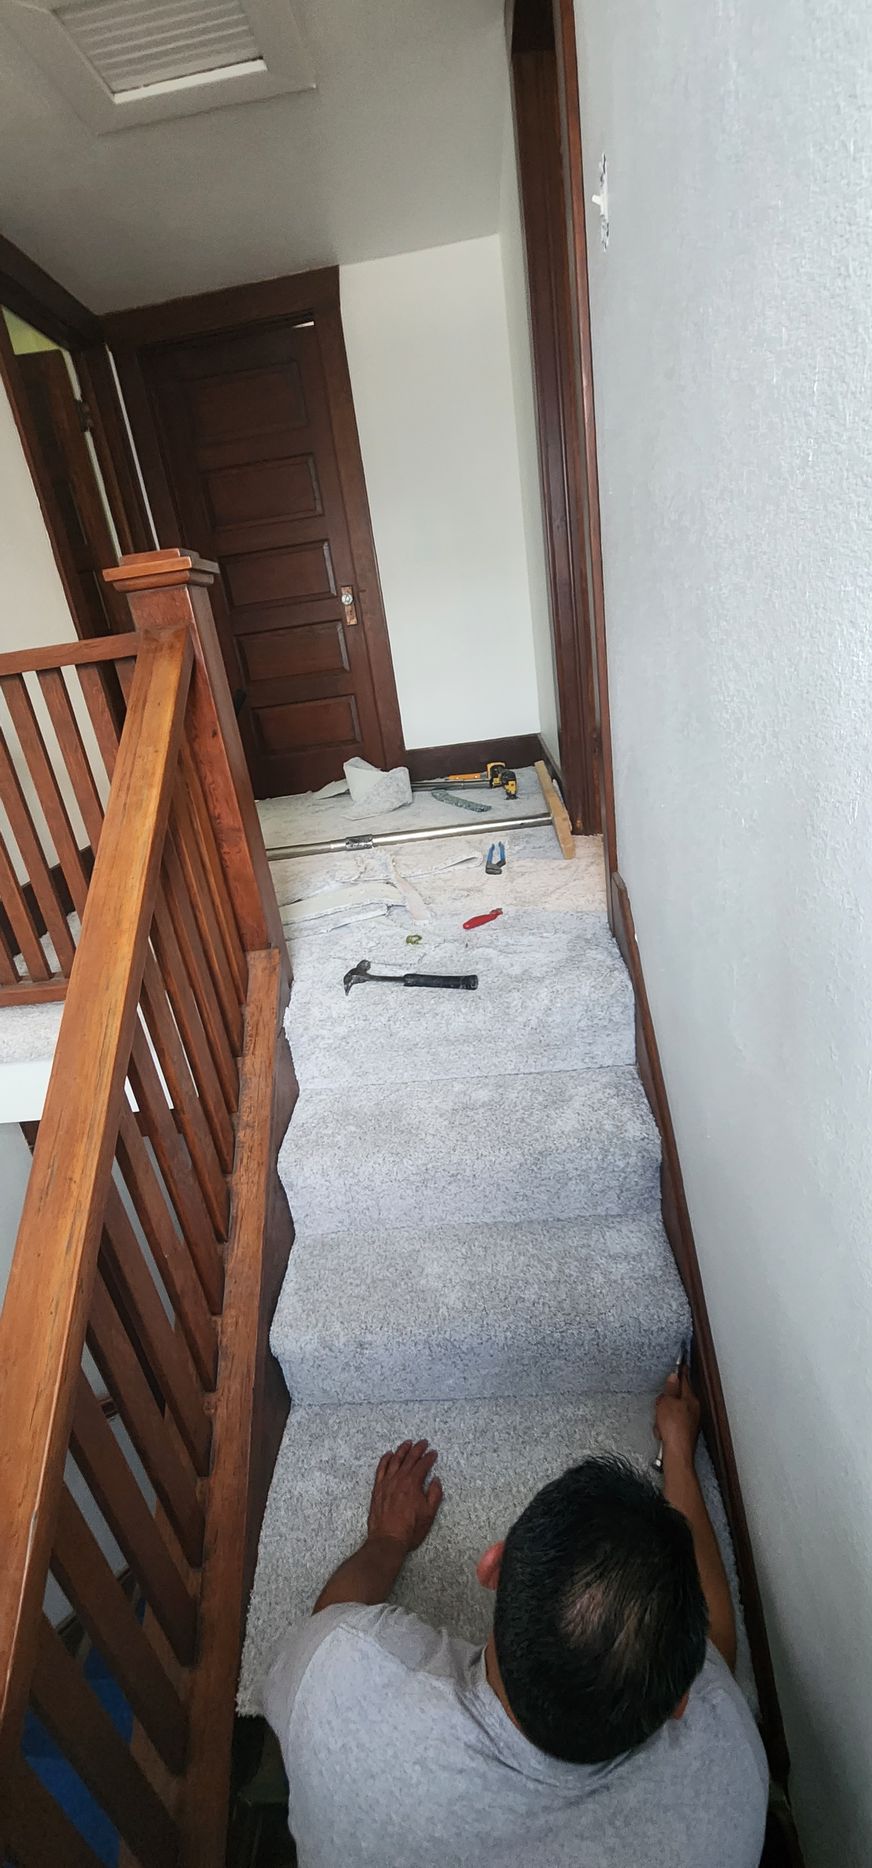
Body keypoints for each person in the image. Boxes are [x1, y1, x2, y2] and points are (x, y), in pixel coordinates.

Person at [260, 1366, 769, 1866]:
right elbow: (718, 1646)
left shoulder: (340, 1679)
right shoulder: (733, 1771)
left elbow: (327, 1627)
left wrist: (388, 1540)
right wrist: (678, 1453)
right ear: (682, 1700)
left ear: (492, 1568)